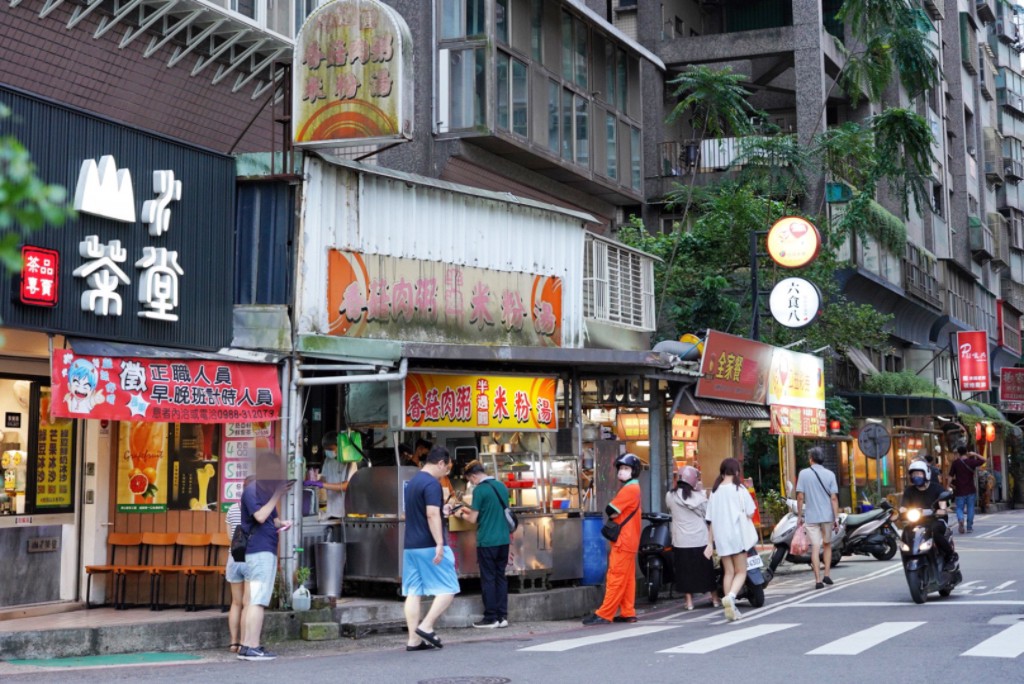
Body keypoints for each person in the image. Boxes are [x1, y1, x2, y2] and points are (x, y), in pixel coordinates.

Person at [402, 446, 460, 651]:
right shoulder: (432, 484)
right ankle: (426, 626)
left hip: (410, 545)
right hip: (428, 545)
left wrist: (441, 510)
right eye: (448, 467)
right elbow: (431, 514)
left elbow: (417, 512)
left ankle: (413, 640)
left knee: (413, 592)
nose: (448, 472)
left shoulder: (413, 483)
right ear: (441, 463)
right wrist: (440, 543)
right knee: (449, 588)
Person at [237, 451, 292, 662]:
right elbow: (260, 517)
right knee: (257, 601)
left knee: (254, 600)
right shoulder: (252, 490)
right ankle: (251, 646)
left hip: (264, 548)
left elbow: (272, 520)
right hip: (258, 551)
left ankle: (248, 646)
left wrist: (283, 523)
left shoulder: (264, 491)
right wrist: (277, 495)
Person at [583, 453, 643, 626]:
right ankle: (627, 612)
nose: (622, 472)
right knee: (627, 578)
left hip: (623, 541)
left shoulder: (629, 489)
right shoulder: (634, 488)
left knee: (616, 576)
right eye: (621, 468)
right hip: (630, 540)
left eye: (626, 468)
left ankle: (604, 613)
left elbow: (611, 509)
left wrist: (613, 510)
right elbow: (614, 511)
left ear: (634, 471)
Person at [452, 460, 510, 628]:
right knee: (500, 577)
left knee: (488, 579)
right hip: (503, 540)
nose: (471, 483)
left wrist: (460, 515)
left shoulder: (480, 490)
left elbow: (473, 519)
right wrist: (468, 511)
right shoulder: (501, 486)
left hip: (487, 541)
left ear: (474, 475)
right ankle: (502, 616)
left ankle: (490, 617)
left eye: (470, 479)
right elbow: (490, 511)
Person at [704, 458, 758, 622]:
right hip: (737, 536)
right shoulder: (739, 489)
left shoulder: (714, 491)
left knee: (728, 572)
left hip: (721, 538)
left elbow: (710, 519)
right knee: (741, 571)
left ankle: (730, 607)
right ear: (736, 472)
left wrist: (709, 542)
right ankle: (731, 597)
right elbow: (750, 512)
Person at [665, 465, 718, 611]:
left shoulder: (670, 496)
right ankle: (714, 598)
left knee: (684, 572)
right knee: (706, 571)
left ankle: (689, 602)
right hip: (700, 539)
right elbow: (708, 515)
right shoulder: (700, 497)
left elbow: (670, 508)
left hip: (681, 541)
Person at [795, 447, 840, 590]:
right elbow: (833, 498)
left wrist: (799, 516)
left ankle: (818, 580)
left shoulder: (803, 474)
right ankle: (827, 574)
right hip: (827, 516)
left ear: (811, 459)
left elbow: (800, 496)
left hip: (811, 517)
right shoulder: (830, 474)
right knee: (827, 544)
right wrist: (836, 518)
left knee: (815, 547)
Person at [902, 460, 957, 568]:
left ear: (926, 474)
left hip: (936, 519)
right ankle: (909, 556)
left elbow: (943, 502)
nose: (916, 476)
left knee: (936, 532)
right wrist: (901, 512)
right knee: (907, 533)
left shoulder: (936, 488)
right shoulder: (909, 490)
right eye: (914, 474)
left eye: (919, 474)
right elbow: (903, 506)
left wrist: (942, 510)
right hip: (917, 521)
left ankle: (950, 555)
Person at [225, 475, 255, 654]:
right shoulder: (256, 509)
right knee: (248, 603)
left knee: (236, 603)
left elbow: (230, 537)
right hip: (252, 557)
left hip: (234, 557)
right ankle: (245, 642)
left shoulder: (232, 509)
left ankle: (233, 643)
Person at [318, 431, 358, 520]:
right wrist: (315, 483)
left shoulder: (350, 462)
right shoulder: (328, 460)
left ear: (339, 446)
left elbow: (346, 486)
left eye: (330, 449)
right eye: (326, 449)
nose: (327, 451)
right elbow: (323, 479)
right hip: (331, 510)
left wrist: (323, 485)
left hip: (345, 512)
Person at [948, 445, 986, 533]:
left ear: (958, 453)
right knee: (970, 508)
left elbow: (950, 476)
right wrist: (975, 454)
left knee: (959, 508)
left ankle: (961, 519)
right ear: (966, 452)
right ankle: (969, 527)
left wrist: (948, 486)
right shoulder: (971, 461)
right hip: (970, 489)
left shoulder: (955, 463)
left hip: (959, 490)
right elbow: (983, 460)